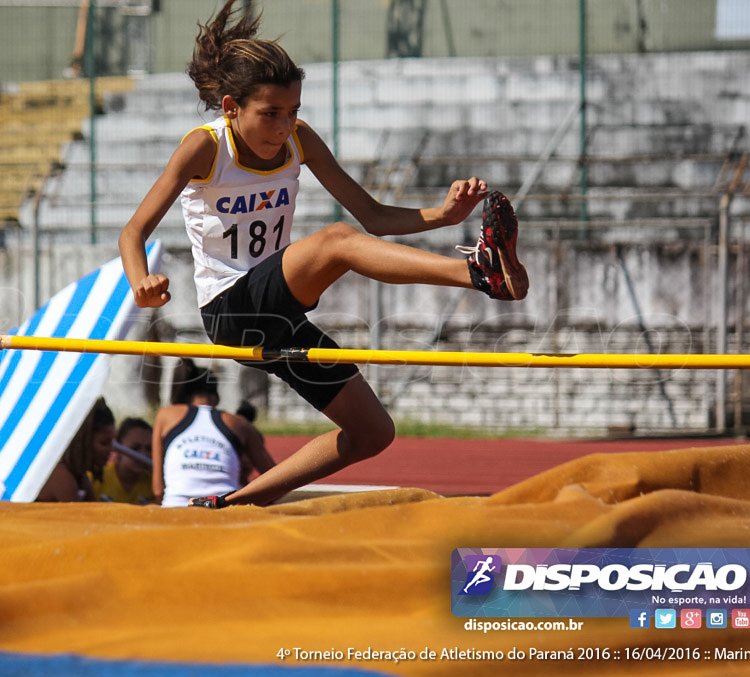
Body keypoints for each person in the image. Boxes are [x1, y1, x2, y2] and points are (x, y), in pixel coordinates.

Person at [119, 0, 527, 508]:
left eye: (292, 112)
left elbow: (373, 216)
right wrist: (142, 283)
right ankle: (480, 273)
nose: (284, 127)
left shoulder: (299, 141)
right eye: (270, 114)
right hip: (228, 308)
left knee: (373, 432)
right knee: (334, 241)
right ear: (230, 108)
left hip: (277, 311)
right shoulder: (205, 149)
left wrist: (443, 216)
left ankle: (234, 503)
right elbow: (133, 232)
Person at [153, 359, 275, 507]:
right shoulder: (239, 423)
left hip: (176, 508)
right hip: (225, 510)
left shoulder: (166, 415)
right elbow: (276, 481)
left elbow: (158, 490)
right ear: (217, 398)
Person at [36, 397, 116, 502]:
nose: (111, 450)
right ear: (84, 443)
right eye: (104, 443)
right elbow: (83, 518)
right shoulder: (61, 477)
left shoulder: (80, 477)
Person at [92, 417, 157, 504]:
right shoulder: (95, 478)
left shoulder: (155, 486)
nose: (143, 454)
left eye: (149, 449)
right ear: (118, 449)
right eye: (135, 448)